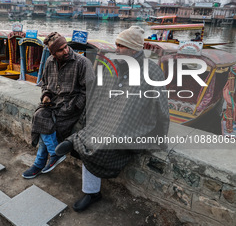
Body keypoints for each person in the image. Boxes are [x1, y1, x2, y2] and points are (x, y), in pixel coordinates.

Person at [55, 26, 170, 211]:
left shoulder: (153, 72)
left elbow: (162, 107)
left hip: (136, 123)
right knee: (93, 129)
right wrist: (89, 116)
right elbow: (99, 93)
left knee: (106, 140)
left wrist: (161, 137)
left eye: (120, 46)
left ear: (133, 49)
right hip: (113, 114)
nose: (116, 49)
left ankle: (75, 145)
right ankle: (91, 190)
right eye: (116, 44)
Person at [22, 32, 95, 179]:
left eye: (66, 46)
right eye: (60, 50)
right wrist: (46, 96)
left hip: (71, 107)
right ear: (53, 53)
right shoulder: (49, 62)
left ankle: (39, 163)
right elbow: (45, 85)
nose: (66, 51)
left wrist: (73, 107)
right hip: (54, 104)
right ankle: (54, 154)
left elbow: (89, 90)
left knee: (46, 126)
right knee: (39, 116)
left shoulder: (82, 63)